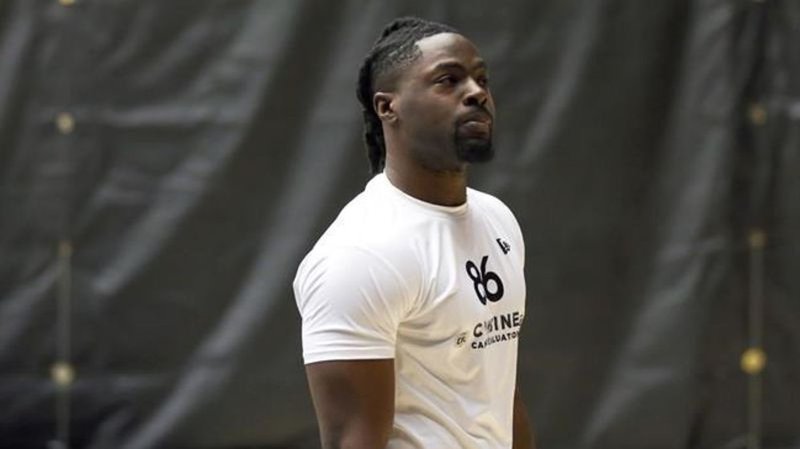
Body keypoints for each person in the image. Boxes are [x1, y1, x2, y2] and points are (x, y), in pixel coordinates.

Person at [293, 16, 534, 449]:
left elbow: (498, 394)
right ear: (388, 107)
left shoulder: (497, 219)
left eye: (481, 79)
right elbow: (353, 439)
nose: (477, 93)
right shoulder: (360, 254)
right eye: (448, 80)